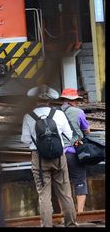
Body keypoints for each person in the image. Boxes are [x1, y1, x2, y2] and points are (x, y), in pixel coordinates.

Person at [21, 86, 77, 227]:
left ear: (35, 100)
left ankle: (46, 225)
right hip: (59, 158)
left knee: (44, 195)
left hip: (39, 159)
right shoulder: (59, 114)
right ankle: (70, 223)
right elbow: (69, 135)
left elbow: (25, 139)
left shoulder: (28, 116)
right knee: (65, 193)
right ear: (50, 100)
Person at [59, 88, 91, 213]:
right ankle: (80, 213)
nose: (77, 102)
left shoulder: (54, 112)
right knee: (79, 181)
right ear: (71, 100)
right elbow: (86, 131)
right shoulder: (78, 112)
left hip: (58, 153)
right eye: (76, 100)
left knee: (61, 183)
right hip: (73, 152)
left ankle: (63, 214)